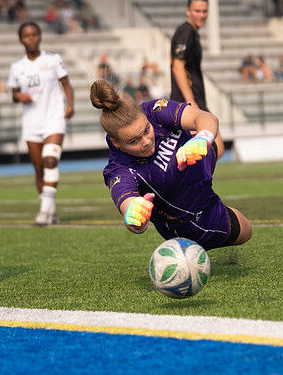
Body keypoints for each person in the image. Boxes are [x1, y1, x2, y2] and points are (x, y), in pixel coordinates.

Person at [90, 79, 252, 250]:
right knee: (246, 231)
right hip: (192, 216)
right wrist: (135, 216)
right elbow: (127, 203)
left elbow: (204, 117)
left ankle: (194, 99)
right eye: (134, 140)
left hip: (201, 161)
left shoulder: (154, 111)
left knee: (214, 140)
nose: (146, 141)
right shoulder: (118, 169)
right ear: (116, 143)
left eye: (146, 130)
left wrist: (202, 138)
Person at [8, 22, 75, 226]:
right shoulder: (17, 67)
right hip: (31, 123)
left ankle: (44, 210)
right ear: (21, 40)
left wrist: (70, 105)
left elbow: (66, 84)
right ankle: (51, 211)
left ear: (40, 36)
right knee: (39, 168)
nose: (31, 38)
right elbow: (13, 95)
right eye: (27, 36)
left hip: (54, 118)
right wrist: (20, 96)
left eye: (35, 34)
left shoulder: (53, 60)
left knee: (50, 161)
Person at [170, 0, 224, 158]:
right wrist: (190, 101)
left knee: (209, 149)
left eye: (204, 11)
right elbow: (177, 66)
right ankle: (193, 183)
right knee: (214, 147)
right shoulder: (186, 32)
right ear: (188, 11)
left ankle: (190, 182)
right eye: (197, 11)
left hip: (193, 99)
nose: (202, 15)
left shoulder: (192, 33)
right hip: (188, 100)